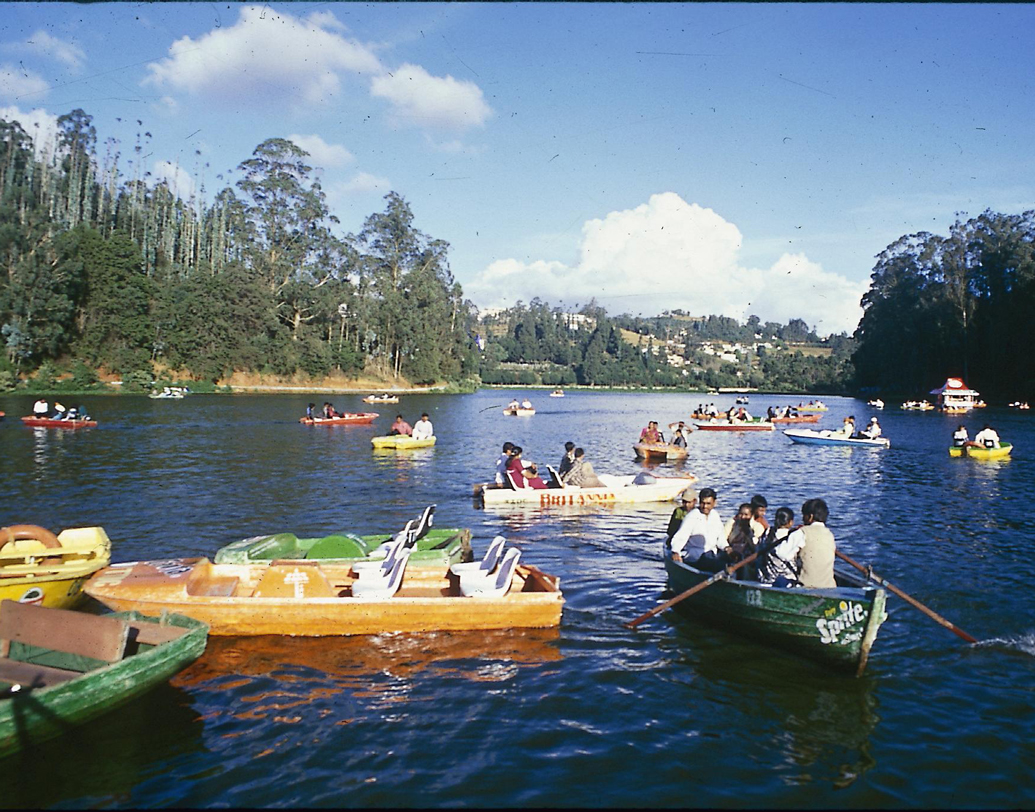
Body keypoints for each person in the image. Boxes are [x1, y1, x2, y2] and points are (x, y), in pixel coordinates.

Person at [670, 487, 728, 572]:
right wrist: (675, 551)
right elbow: (681, 536)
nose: (705, 506)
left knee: (729, 559)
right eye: (702, 503)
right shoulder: (692, 516)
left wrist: (727, 547)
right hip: (695, 557)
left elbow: (720, 538)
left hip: (711, 555)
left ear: (714, 503)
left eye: (708, 503)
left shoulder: (715, 515)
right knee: (715, 563)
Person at [756, 507, 800, 586]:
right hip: (786, 580)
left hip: (766, 578)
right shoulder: (793, 536)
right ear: (791, 522)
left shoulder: (767, 532)